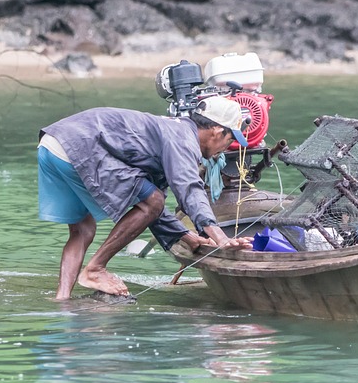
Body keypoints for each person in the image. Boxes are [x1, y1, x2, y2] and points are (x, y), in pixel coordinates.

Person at [37, 96, 253, 299]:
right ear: (216, 131)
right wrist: (220, 237)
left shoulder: (171, 130)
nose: (227, 148)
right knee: (153, 200)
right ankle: (95, 269)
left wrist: (187, 237)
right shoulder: (183, 139)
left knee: (82, 231)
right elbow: (188, 189)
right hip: (80, 144)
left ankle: (62, 300)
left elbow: (152, 211)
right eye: (230, 138)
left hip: (52, 144)